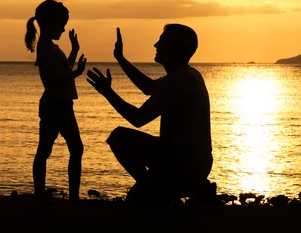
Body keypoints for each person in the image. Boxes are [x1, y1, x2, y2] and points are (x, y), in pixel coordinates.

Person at [86, 25, 214, 205]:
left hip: (182, 165)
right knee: (136, 199)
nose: (155, 45)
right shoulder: (188, 75)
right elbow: (148, 88)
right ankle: (162, 189)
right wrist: (121, 59)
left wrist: (107, 92)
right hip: (196, 164)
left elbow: (138, 119)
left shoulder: (177, 81)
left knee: (118, 137)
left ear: (174, 48)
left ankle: (157, 188)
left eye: (161, 41)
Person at [25, 0, 87, 201]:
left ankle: (58, 195)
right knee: (55, 149)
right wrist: (76, 73)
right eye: (61, 24)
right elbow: (53, 80)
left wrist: (74, 51)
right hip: (56, 105)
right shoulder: (45, 48)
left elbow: (63, 70)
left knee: (61, 148)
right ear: (49, 24)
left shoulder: (50, 47)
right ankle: (48, 195)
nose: (63, 29)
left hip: (61, 104)